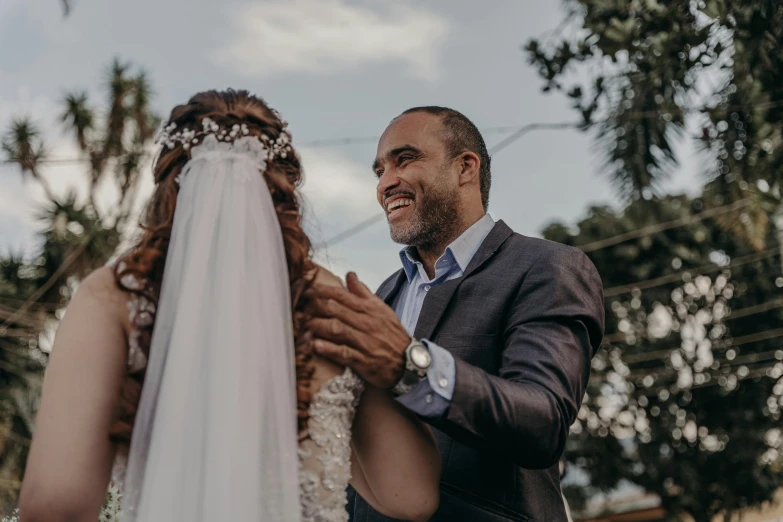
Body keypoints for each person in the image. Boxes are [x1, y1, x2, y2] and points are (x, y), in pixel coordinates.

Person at [17, 91, 441, 522]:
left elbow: (56, 506)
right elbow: (412, 497)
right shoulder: (338, 302)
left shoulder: (113, 296)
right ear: (284, 189)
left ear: (168, 184)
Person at [305, 106, 605, 521]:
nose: (387, 183)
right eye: (379, 172)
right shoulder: (382, 296)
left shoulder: (545, 267)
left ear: (465, 167)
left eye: (404, 160)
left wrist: (409, 365)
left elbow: (544, 421)